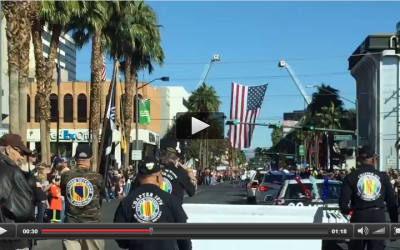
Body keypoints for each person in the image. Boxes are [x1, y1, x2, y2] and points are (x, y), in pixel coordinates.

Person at [114, 156, 192, 250]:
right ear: (159, 177)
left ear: (139, 178)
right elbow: (184, 235)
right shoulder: (171, 200)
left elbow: (119, 235)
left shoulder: (127, 202)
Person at [339, 145, 398, 250]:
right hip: (377, 218)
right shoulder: (383, 177)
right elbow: (391, 203)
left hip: (358, 218)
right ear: (374, 159)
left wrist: (349, 211)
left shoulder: (350, 177)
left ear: (359, 159)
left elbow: (343, 204)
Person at [60, 144, 105, 250]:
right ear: (91, 158)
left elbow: (64, 193)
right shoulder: (97, 177)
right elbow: (101, 197)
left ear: (76, 158)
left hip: (71, 225)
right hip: (92, 225)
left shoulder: (66, 176)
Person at [130, 141, 196, 204]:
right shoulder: (180, 172)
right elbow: (192, 191)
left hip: (151, 212)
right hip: (172, 213)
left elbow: (132, 191)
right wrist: (189, 171)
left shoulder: (149, 168)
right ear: (177, 160)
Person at [0, 134, 35, 250]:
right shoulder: (12, 172)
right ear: (8, 149)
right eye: (20, 152)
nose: (22, 157)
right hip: (12, 238)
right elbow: (24, 210)